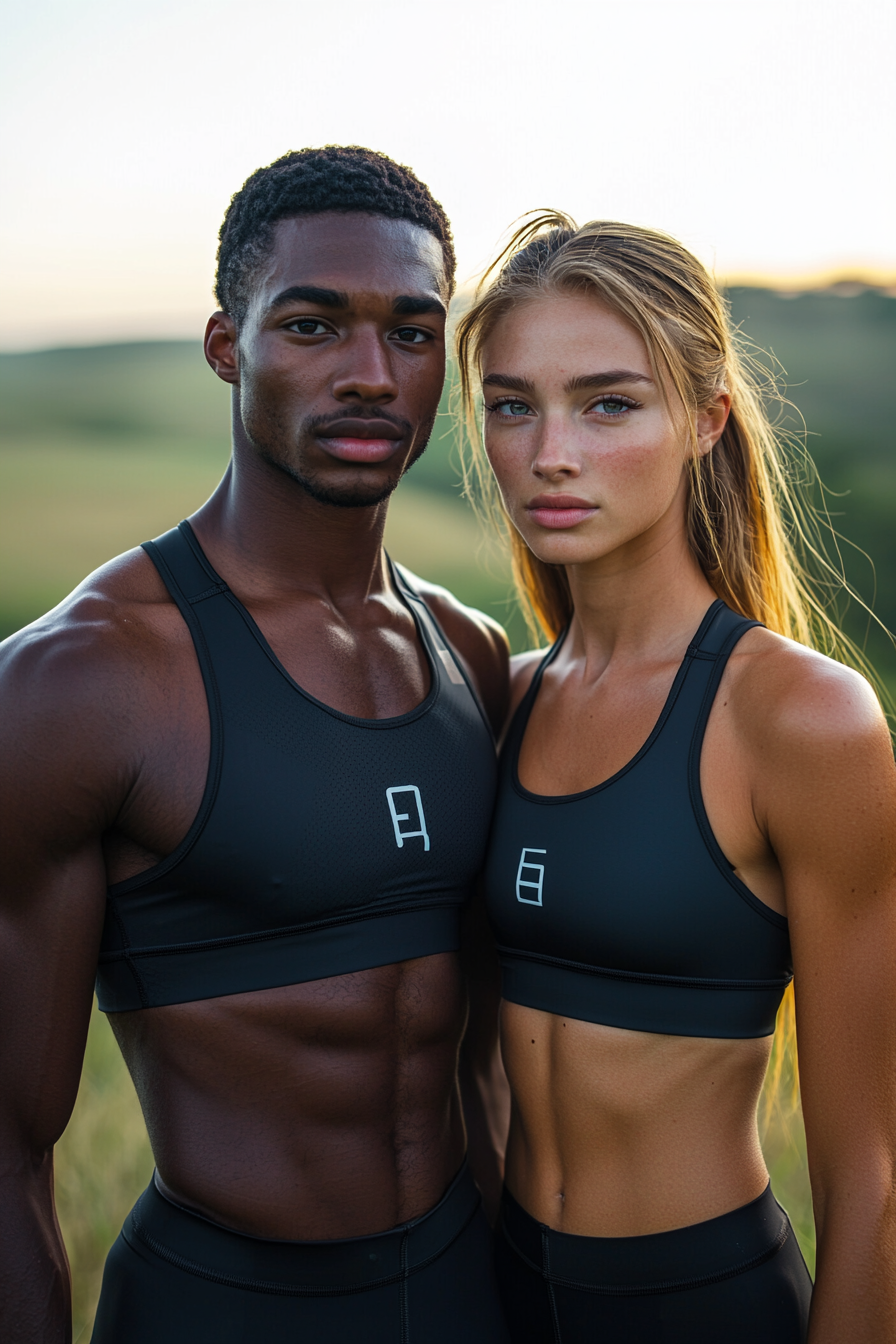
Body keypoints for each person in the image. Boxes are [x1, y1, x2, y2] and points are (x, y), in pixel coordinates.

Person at [0, 146, 512, 1344]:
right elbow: (6, 1150)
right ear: (228, 345)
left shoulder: (472, 656)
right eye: (314, 326)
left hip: (464, 1295)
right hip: (219, 1309)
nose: (372, 376)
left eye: (412, 331)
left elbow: (492, 1060)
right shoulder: (82, 679)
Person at [455, 215, 896, 1343]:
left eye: (607, 403)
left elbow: (874, 1185)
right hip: (500, 1295)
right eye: (511, 405)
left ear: (704, 422)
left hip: (699, 1309)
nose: (549, 450)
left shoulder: (799, 720)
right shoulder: (494, 704)